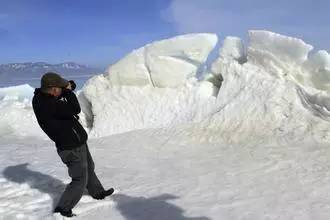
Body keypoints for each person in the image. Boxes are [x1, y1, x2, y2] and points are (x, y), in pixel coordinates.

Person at [32, 72, 114, 217]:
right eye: (59, 88)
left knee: (89, 167)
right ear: (52, 89)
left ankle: (97, 192)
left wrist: (64, 87)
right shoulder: (47, 105)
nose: (60, 90)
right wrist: (68, 91)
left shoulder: (44, 96)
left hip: (76, 140)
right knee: (79, 178)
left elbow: (59, 96)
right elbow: (75, 108)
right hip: (70, 146)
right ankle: (63, 208)